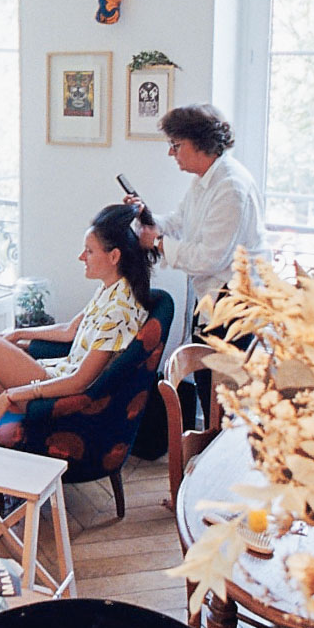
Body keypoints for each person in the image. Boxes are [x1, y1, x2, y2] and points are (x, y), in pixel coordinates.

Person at [0, 205, 158, 443]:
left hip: (59, 397)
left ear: (114, 256)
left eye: (89, 251)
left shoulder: (119, 310)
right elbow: (69, 330)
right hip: (55, 374)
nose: (81, 257)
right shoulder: (110, 290)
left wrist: (12, 394)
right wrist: (18, 334)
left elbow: (79, 382)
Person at [129, 105, 269, 431]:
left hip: (234, 305)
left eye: (176, 145)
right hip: (213, 298)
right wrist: (146, 216)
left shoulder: (230, 187)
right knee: (209, 392)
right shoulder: (204, 180)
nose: (171, 153)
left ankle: (217, 457)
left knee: (225, 402)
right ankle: (207, 451)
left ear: (199, 143)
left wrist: (157, 243)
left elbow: (210, 257)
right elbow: (178, 222)